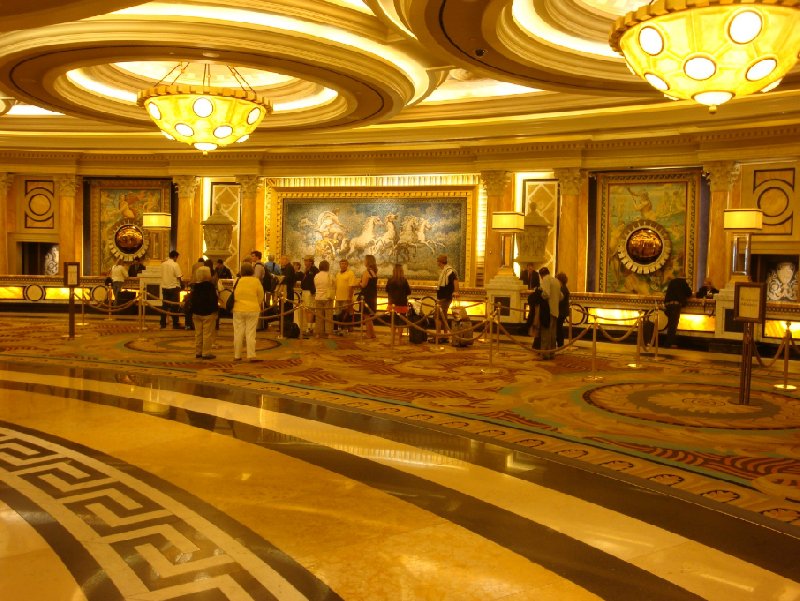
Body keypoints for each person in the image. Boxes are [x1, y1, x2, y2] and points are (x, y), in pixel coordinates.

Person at [232, 262, 264, 362]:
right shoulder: (256, 281)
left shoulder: (237, 280)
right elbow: (261, 295)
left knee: (238, 333)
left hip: (238, 309)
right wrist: (256, 303)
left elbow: (234, 293)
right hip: (252, 309)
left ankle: (237, 355)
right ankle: (251, 355)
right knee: (250, 333)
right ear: (251, 270)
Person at [191, 266, 218, 359]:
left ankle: (198, 352)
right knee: (207, 334)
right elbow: (213, 300)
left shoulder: (195, 286)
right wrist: (215, 311)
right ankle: (206, 353)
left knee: (198, 333)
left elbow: (192, 299)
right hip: (208, 313)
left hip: (196, 313)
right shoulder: (210, 286)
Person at [386, 263, 412, 345]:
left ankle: (392, 339)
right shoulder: (404, 280)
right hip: (402, 304)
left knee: (393, 322)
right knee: (401, 322)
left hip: (392, 304)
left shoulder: (390, 280)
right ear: (402, 271)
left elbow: (386, 290)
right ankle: (399, 340)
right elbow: (409, 292)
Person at [664, 274, 692, 348]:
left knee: (669, 324)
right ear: (684, 277)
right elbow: (689, 293)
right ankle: (669, 343)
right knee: (673, 325)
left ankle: (668, 342)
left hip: (668, 305)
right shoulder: (683, 282)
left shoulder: (672, 282)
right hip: (675, 306)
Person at [435, 254, 459, 344]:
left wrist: (456, 292)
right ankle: (444, 336)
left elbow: (456, 281)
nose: (437, 263)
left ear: (440, 262)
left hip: (445, 298)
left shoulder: (449, 272)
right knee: (443, 317)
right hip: (443, 298)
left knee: (437, 316)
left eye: (437, 261)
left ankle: (439, 336)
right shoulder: (445, 271)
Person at [539, 267, 561, 360]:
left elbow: (546, 293)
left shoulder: (546, 279)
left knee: (546, 333)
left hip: (547, 310)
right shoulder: (556, 281)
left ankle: (545, 354)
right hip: (555, 310)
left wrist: (539, 293)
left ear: (541, 275)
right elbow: (561, 296)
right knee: (553, 334)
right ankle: (552, 353)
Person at [160, 250, 183, 329]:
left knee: (164, 305)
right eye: (177, 257)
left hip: (164, 287)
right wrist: (182, 285)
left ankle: (162, 323)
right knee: (174, 306)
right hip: (173, 287)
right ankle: (175, 324)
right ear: (175, 257)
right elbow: (179, 276)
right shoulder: (175, 264)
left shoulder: (163, 264)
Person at [334, 258, 357, 334]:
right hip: (338, 297)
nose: (343, 265)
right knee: (338, 313)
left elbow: (351, 286)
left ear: (347, 265)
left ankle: (346, 329)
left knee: (347, 314)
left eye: (344, 264)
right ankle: (339, 328)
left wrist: (349, 297)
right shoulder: (337, 274)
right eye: (341, 263)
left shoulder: (350, 273)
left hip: (346, 298)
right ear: (339, 265)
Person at [313, 260, 334, 338]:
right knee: (328, 316)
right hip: (327, 297)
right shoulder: (330, 275)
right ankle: (329, 333)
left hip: (318, 297)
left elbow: (315, 286)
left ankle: (318, 333)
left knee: (319, 316)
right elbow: (334, 285)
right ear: (327, 267)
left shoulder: (316, 276)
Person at [360, 254, 378, 339]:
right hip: (372, 296)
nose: (364, 261)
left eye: (365, 259)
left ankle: (368, 334)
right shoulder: (374, 271)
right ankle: (372, 333)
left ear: (368, 261)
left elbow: (363, 285)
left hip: (366, 296)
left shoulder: (366, 272)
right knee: (369, 316)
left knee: (366, 316)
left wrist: (358, 283)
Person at [300, 255, 319, 337]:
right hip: (305, 292)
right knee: (306, 309)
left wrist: (313, 291)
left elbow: (315, 282)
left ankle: (310, 327)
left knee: (310, 309)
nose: (305, 262)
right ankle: (308, 326)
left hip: (310, 292)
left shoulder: (314, 270)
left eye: (306, 261)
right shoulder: (307, 270)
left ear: (311, 261)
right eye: (304, 261)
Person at [556, 272, 570, 347]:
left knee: (558, 328)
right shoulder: (563, 287)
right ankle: (560, 343)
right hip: (561, 311)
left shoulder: (563, 289)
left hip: (561, 311)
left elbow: (560, 300)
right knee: (559, 327)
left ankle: (560, 343)